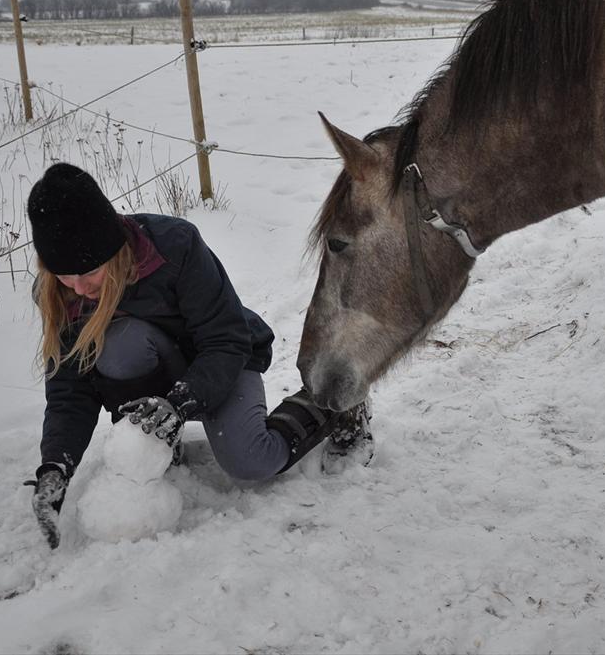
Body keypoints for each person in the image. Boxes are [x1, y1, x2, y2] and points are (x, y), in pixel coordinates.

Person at [23, 162, 369, 549]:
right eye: (64, 276)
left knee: (250, 462)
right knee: (120, 345)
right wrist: (56, 466)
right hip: (160, 368)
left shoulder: (174, 246)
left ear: (113, 250)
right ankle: (159, 446)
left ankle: (331, 407)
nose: (79, 287)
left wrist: (179, 405)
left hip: (223, 360)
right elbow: (70, 388)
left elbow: (227, 339)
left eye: (89, 273)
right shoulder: (59, 293)